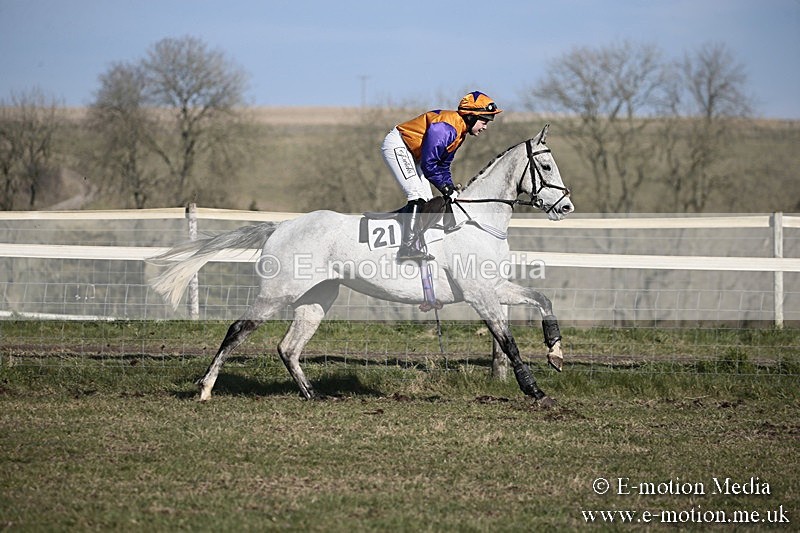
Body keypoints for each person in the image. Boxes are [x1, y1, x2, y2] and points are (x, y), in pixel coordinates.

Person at [381, 91, 502, 260]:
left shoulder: (459, 132)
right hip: (399, 145)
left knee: (427, 200)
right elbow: (429, 165)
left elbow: (443, 166)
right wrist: (445, 189)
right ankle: (407, 248)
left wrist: (450, 187)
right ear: (470, 117)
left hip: (414, 154)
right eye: (484, 121)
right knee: (416, 195)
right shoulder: (445, 129)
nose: (485, 127)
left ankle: (414, 240)